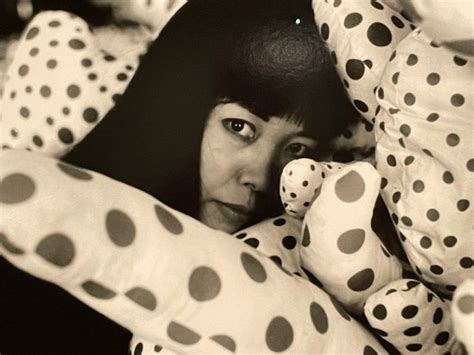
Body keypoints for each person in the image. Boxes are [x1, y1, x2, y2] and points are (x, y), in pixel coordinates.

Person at [1, 0, 357, 354]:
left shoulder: (304, 286)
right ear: (176, 111)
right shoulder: (33, 261)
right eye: (240, 127)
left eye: (297, 149)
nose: (261, 178)